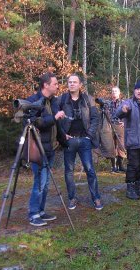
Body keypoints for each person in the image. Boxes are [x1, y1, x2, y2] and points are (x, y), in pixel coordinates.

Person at [26, 72, 66, 226]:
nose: (57, 86)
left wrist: (63, 138)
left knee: (46, 182)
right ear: (46, 85)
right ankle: (33, 214)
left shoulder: (53, 101)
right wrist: (54, 118)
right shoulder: (33, 101)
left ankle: (41, 211)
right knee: (39, 182)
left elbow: (56, 125)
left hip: (50, 148)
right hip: (38, 148)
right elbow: (35, 123)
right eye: (55, 83)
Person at [58, 73, 103, 210]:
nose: (72, 84)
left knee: (90, 169)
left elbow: (96, 118)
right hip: (69, 141)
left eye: (74, 82)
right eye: (70, 82)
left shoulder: (88, 100)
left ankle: (96, 198)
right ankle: (72, 198)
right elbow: (56, 119)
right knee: (69, 171)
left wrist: (89, 135)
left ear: (80, 85)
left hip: (84, 140)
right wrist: (62, 135)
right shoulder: (62, 100)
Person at [100, 86, 126, 173]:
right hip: (110, 125)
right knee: (111, 145)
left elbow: (129, 114)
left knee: (121, 145)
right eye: (112, 91)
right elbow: (102, 112)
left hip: (120, 125)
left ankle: (121, 165)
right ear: (111, 93)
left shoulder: (123, 102)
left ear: (119, 93)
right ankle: (113, 166)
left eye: (115, 91)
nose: (114, 92)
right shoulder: (107, 103)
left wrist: (125, 122)